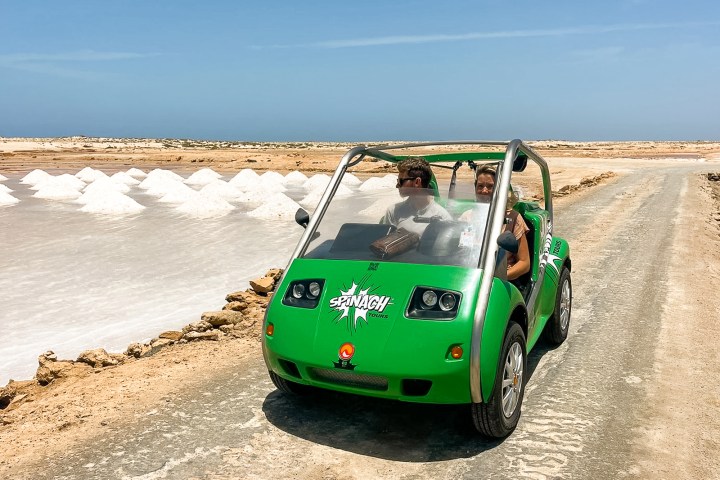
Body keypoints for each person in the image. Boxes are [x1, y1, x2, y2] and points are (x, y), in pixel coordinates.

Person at [460, 165, 530, 281]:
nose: (484, 191)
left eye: (490, 186)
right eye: (480, 186)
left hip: (500, 279)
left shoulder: (512, 218)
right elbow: (460, 252)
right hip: (470, 276)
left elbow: (524, 263)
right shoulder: (466, 217)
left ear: (499, 190)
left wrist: (498, 278)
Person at [381, 156, 452, 235]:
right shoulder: (393, 211)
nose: (397, 185)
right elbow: (383, 241)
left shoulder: (442, 216)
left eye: (401, 181)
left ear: (417, 182)